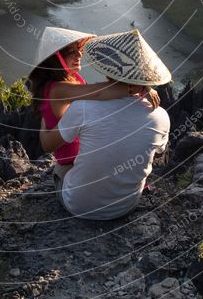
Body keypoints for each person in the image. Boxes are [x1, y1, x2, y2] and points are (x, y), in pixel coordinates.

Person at [40, 28, 171, 220]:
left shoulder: (83, 108)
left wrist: (44, 121)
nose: (79, 55)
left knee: (61, 168)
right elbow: (158, 153)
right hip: (127, 205)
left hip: (77, 206)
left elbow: (47, 145)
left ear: (107, 69)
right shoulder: (161, 116)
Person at [28, 26, 159, 167]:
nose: (79, 54)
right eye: (71, 51)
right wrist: (140, 86)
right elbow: (98, 92)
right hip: (73, 162)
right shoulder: (58, 89)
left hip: (82, 152)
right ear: (55, 59)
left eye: (79, 49)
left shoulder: (70, 78)